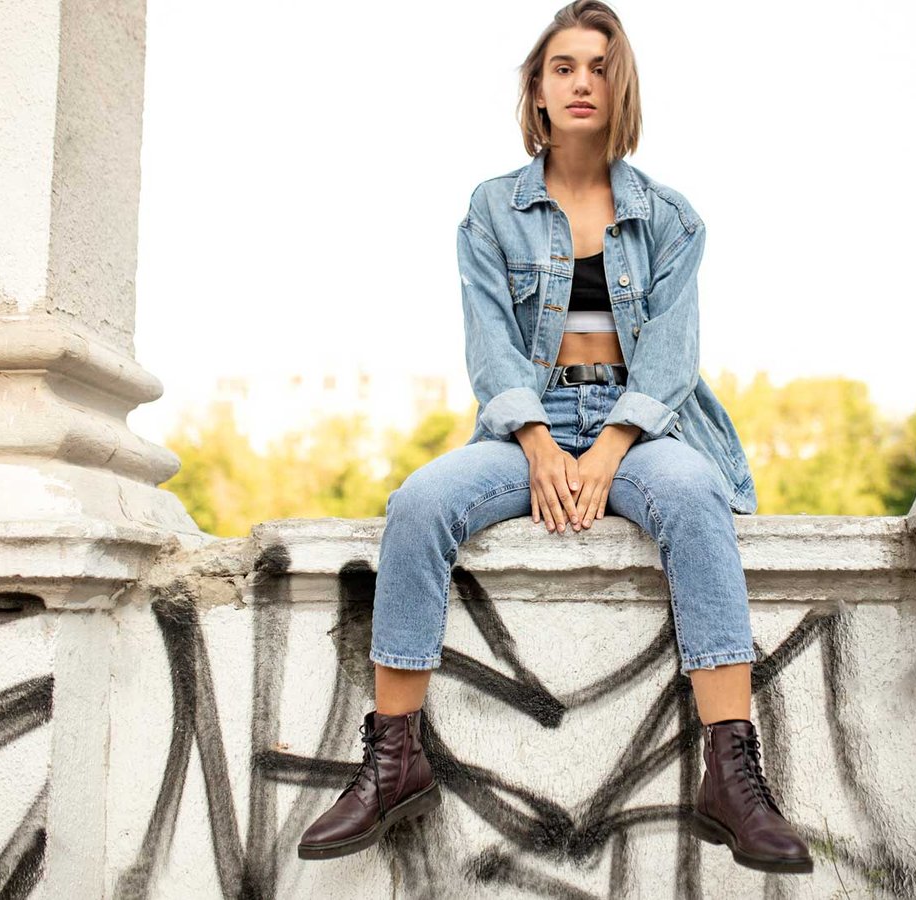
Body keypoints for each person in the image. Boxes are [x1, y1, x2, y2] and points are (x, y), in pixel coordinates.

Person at [297, 0, 812, 875]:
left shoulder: (672, 218)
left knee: (692, 495)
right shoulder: (493, 208)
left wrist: (609, 448)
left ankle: (729, 771)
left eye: (601, 67)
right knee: (421, 502)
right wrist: (537, 442)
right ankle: (392, 759)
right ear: (536, 89)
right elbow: (491, 342)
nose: (583, 83)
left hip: (642, 425)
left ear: (622, 88)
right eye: (564, 66)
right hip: (529, 416)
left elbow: (672, 357)